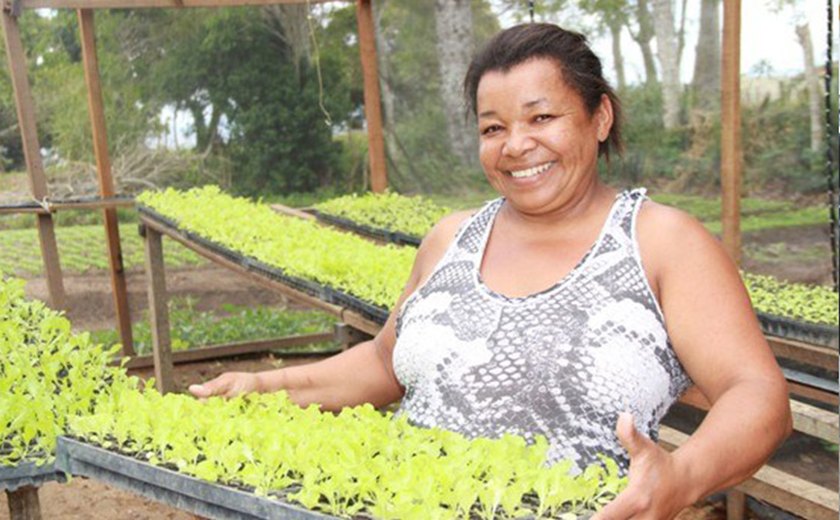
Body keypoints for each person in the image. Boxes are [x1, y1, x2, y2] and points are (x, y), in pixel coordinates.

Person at [189, 23, 792, 519]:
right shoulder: (452, 238)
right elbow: (382, 364)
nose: (516, 145)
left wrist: (681, 477)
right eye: (493, 128)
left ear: (599, 117)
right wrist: (266, 388)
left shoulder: (662, 242)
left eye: (541, 118)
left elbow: (756, 394)